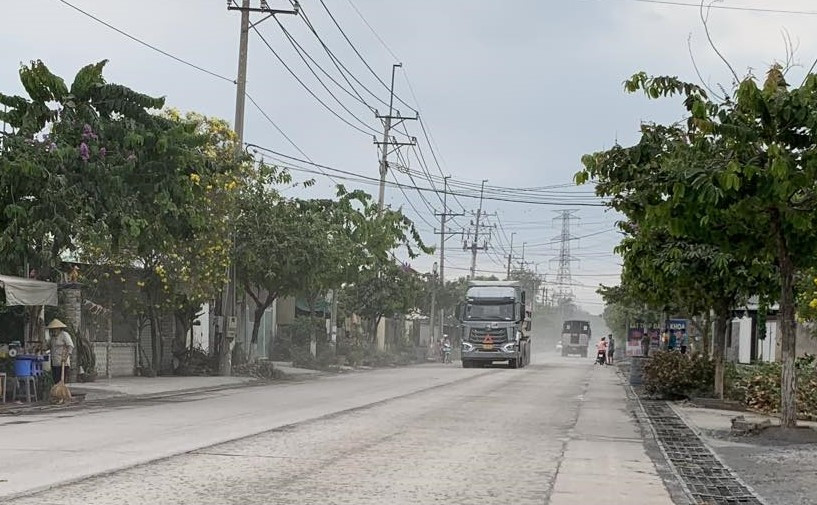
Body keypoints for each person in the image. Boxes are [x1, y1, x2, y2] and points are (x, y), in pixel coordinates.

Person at [47, 319, 74, 384]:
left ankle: (61, 393)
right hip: (54, 362)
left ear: (59, 328)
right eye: (52, 329)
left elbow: (70, 346)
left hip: (63, 362)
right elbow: (48, 346)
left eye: (55, 329)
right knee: (55, 380)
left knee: (61, 380)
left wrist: (66, 356)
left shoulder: (64, 335)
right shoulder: (52, 338)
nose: (54, 331)